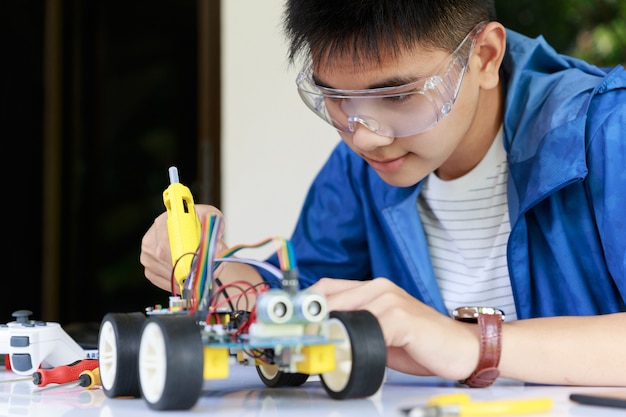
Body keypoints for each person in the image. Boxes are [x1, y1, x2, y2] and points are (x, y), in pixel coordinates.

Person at [141, 0, 626, 387]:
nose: (366, 135)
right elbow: (300, 303)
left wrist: (468, 344)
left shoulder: (605, 131)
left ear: (485, 57)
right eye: (337, 97)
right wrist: (211, 266)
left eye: (396, 96)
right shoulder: (361, 171)